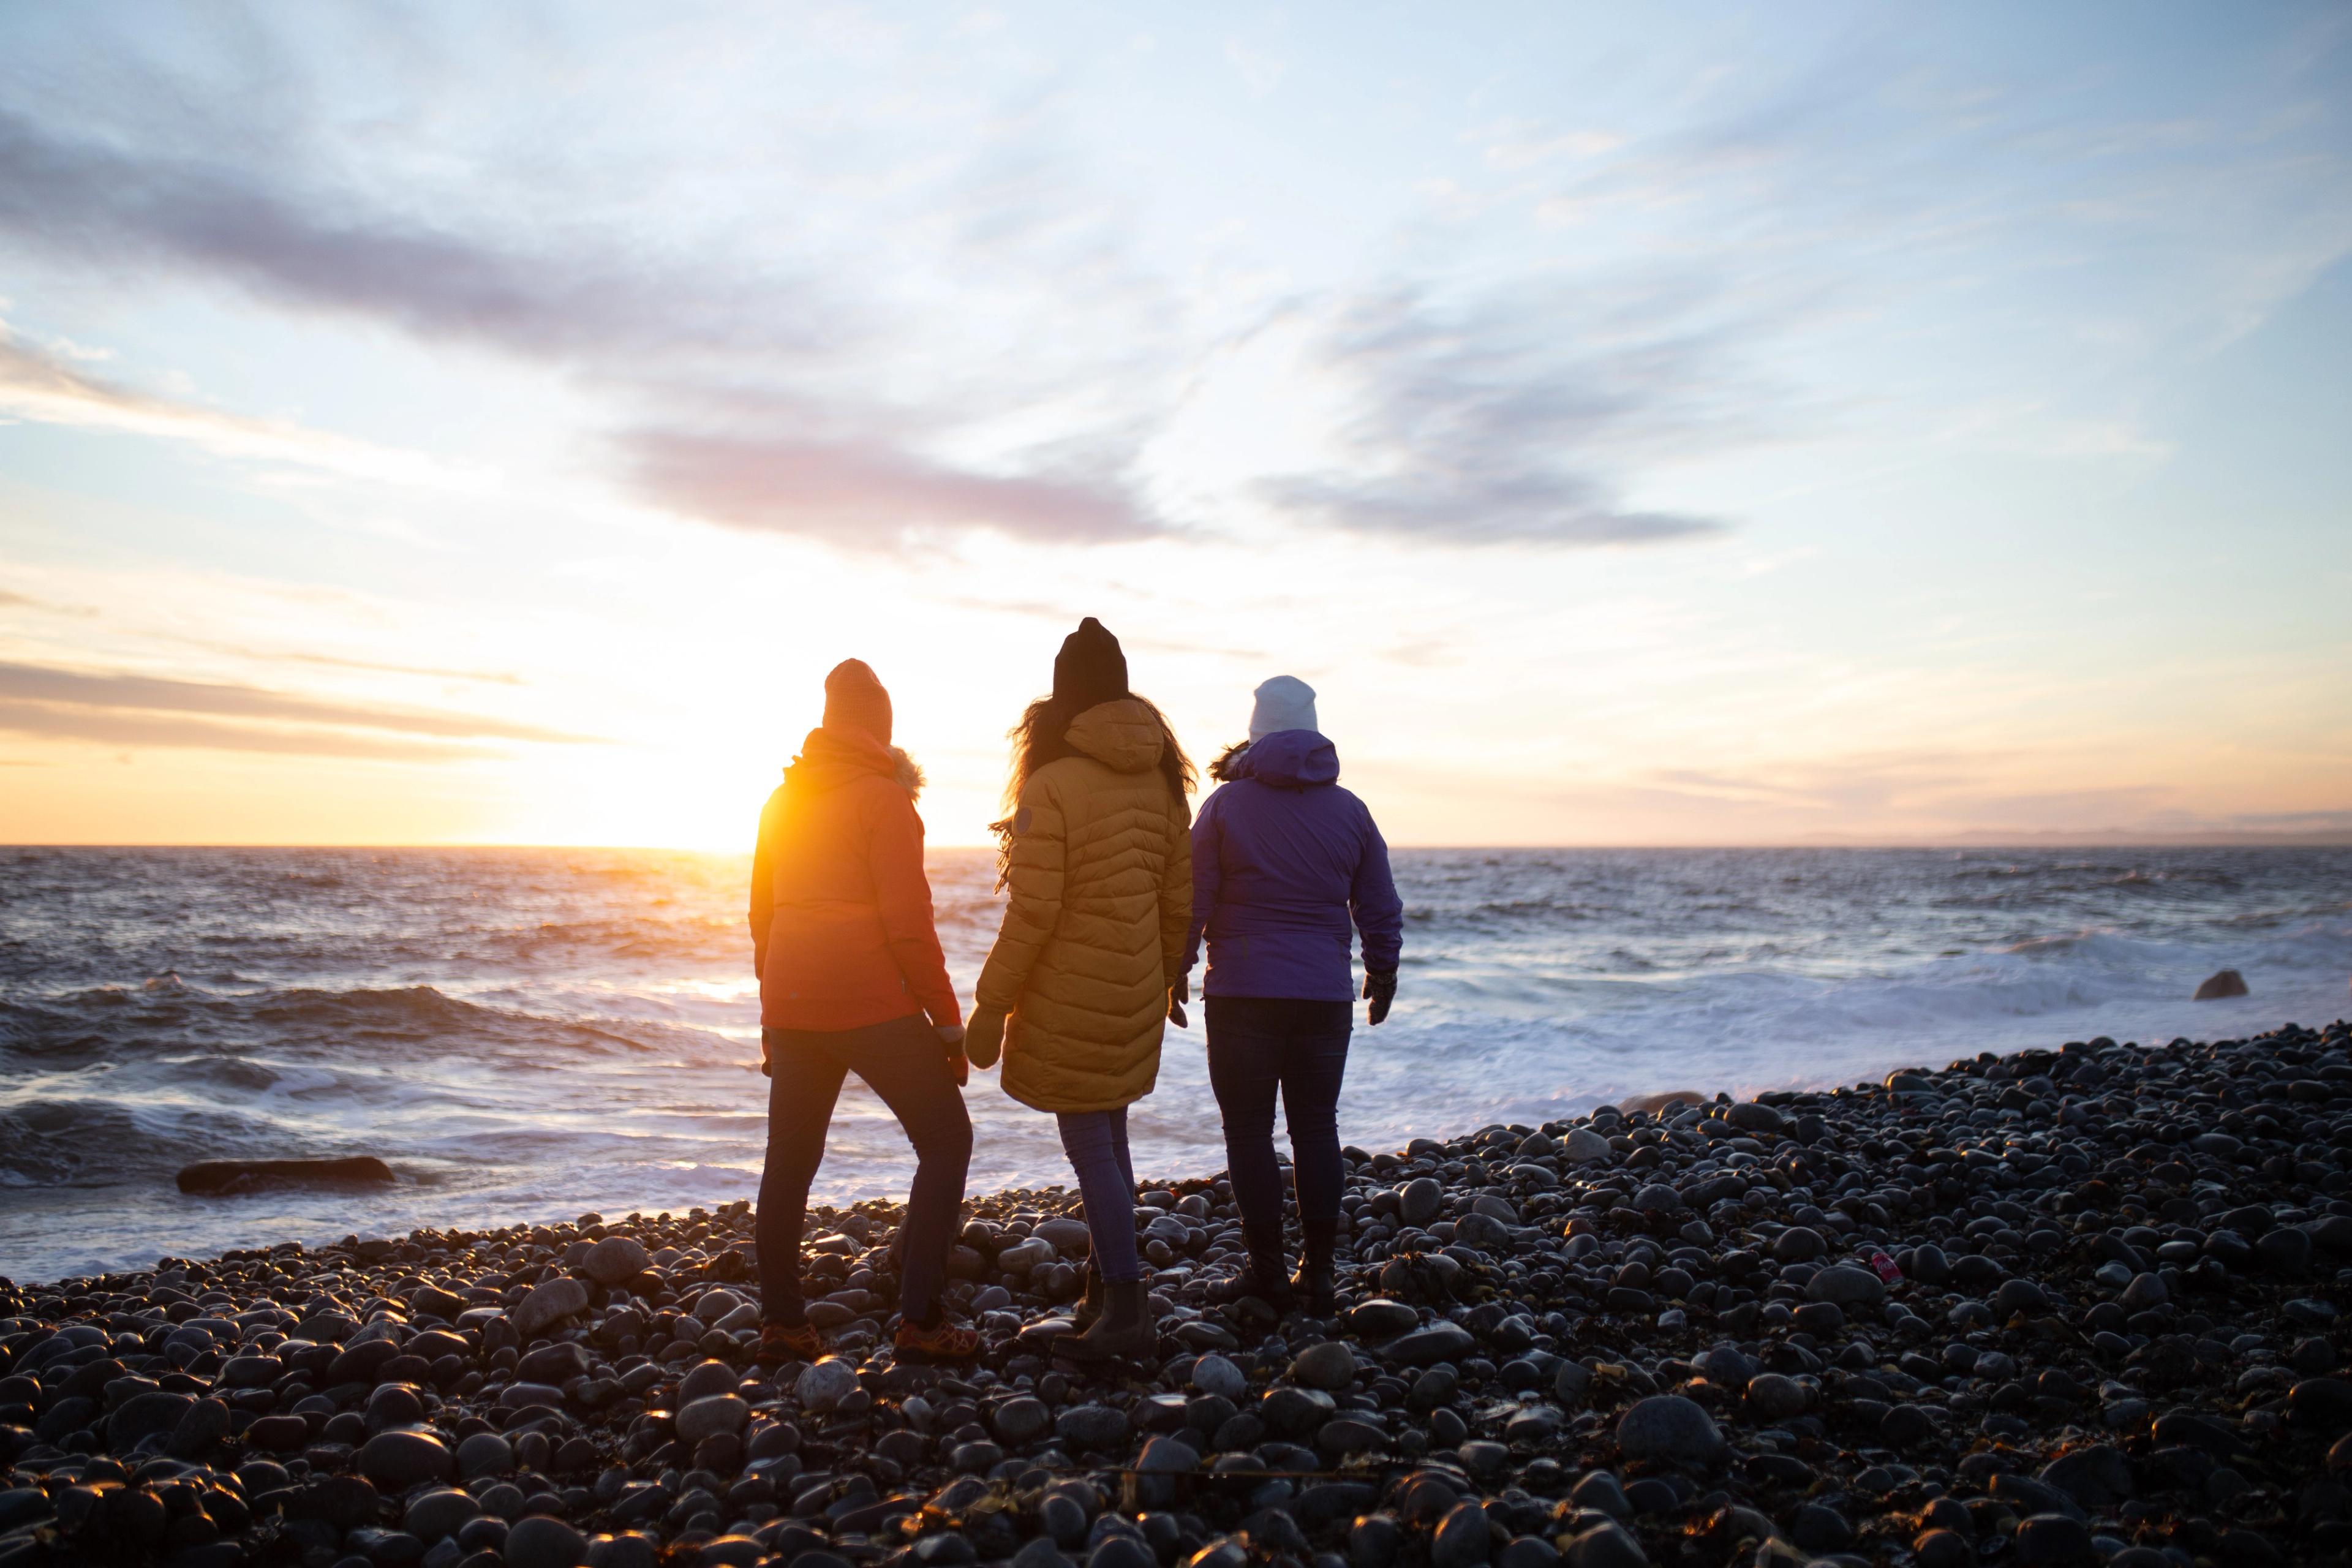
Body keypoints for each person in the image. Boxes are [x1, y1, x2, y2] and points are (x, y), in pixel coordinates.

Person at [963, 618, 1194, 1366]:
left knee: (1090, 1143)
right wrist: (1168, 977)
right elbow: (1176, 899)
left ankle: (1128, 1310)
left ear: (1064, 698)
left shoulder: (1053, 784)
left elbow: (1035, 911)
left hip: (1070, 990)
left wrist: (991, 1004)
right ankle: (1104, 1297)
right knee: (1112, 1134)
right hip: (1133, 987)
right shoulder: (1160, 782)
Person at [748, 658, 978, 1363]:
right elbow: (909, 925)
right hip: (874, 1005)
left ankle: (784, 1325)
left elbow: (761, 918)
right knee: (946, 1141)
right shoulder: (885, 800)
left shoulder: (780, 801)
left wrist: (772, 1015)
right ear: (881, 728)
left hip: (792, 1005)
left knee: (789, 1163)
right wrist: (946, 1022)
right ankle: (922, 1321)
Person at [1180, 674, 1401, 1317]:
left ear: (1255, 734)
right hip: (1322, 997)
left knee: (1248, 1130)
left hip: (1243, 992)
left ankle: (1268, 1272)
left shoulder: (1225, 807)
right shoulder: (1351, 809)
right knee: (1316, 1129)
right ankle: (1322, 1274)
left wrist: (1177, 970)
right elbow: (1379, 904)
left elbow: (1194, 899)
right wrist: (1381, 974)